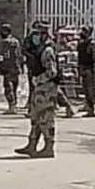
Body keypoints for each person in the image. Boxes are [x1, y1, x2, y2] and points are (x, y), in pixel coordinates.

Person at [16, 22, 59, 158]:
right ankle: (32, 144)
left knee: (46, 118)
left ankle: (49, 147)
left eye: (37, 33)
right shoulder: (39, 49)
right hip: (39, 87)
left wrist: (38, 79)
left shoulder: (47, 50)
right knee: (35, 117)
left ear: (44, 34)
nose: (34, 36)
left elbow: (52, 72)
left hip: (47, 88)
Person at [77, 25, 95, 117]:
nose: (82, 32)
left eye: (84, 31)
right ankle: (90, 109)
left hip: (91, 70)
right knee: (86, 91)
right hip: (83, 69)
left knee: (93, 90)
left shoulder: (92, 43)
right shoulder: (81, 43)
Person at [0, 22, 23, 114]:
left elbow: (1, 55)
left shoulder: (4, 42)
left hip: (7, 67)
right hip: (16, 67)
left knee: (8, 87)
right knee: (14, 87)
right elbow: (19, 54)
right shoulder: (16, 41)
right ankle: (14, 105)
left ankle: (11, 106)